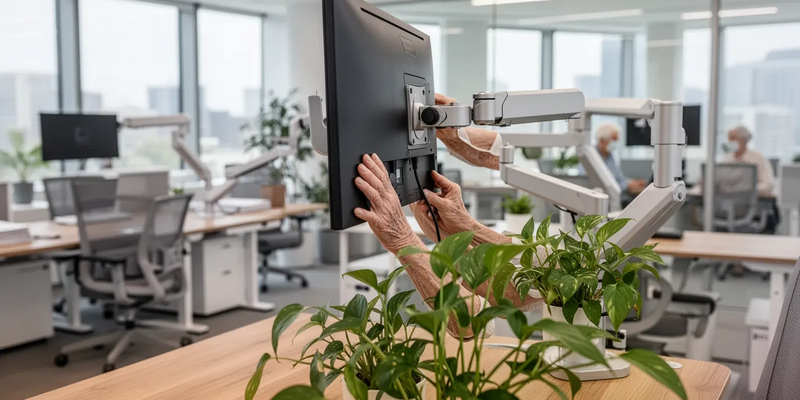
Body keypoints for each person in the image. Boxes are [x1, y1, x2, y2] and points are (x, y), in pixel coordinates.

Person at [722, 125, 775, 197]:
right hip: (728, 200)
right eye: (728, 138)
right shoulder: (727, 158)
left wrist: (747, 190)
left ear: (744, 140)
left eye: (733, 138)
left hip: (752, 201)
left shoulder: (758, 158)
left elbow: (768, 185)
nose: (729, 141)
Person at [595, 123, 646, 196]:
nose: (615, 143)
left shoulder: (610, 156)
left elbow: (619, 178)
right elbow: (603, 184)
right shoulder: (591, 156)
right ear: (602, 140)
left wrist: (631, 182)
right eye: (613, 139)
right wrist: (627, 185)